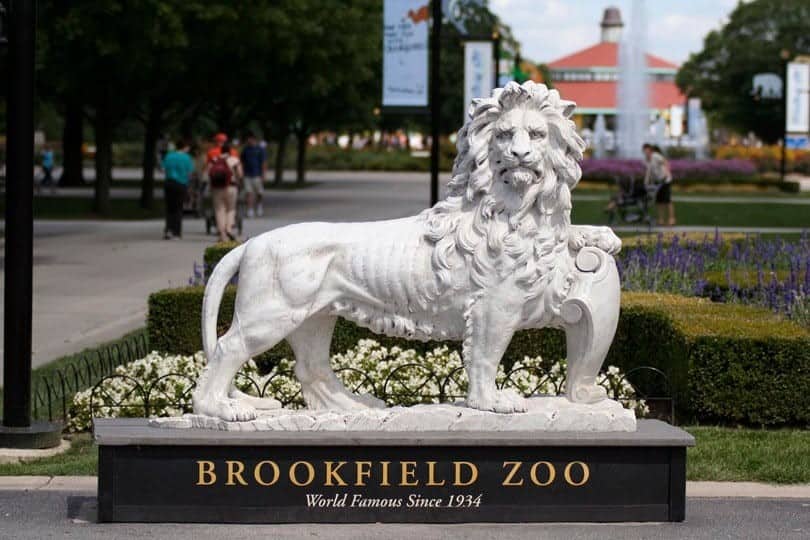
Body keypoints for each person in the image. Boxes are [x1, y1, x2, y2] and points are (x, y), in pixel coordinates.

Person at [206, 141, 242, 242]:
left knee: (219, 210)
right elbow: (240, 174)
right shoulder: (234, 160)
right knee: (231, 209)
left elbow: (209, 172)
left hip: (217, 188)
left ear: (221, 150)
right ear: (230, 151)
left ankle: (222, 234)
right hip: (231, 187)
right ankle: (229, 229)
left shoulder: (215, 159)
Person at [162, 139, 194, 239]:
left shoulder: (169, 156)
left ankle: (168, 230)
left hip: (169, 183)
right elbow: (190, 173)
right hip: (181, 184)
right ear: (185, 147)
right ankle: (176, 232)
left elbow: (163, 169)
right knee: (178, 208)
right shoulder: (187, 158)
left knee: (169, 208)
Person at [643, 143, 675, 226]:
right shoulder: (646, 160)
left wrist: (667, 172)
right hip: (658, 182)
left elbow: (665, 162)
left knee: (667, 200)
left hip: (665, 180)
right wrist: (646, 182)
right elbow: (648, 172)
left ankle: (671, 219)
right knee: (659, 201)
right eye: (644, 151)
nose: (646, 152)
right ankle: (661, 219)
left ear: (650, 150)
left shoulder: (656, 156)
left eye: (647, 150)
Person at [240, 131, 267, 217]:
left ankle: (259, 206)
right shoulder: (245, 150)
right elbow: (242, 162)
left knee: (259, 193)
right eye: (247, 139)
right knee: (249, 193)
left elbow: (263, 163)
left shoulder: (260, 149)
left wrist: (263, 174)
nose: (248, 140)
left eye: (250, 139)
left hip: (257, 174)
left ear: (254, 139)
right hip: (247, 175)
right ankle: (250, 209)